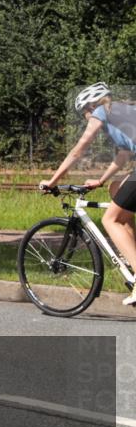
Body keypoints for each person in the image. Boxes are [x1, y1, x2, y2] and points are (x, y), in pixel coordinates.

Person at [40, 82, 136, 305]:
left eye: (83, 113)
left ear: (91, 106)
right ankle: (131, 254)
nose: (85, 118)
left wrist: (52, 182)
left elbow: (78, 150)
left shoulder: (102, 111)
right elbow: (123, 154)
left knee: (110, 220)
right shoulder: (123, 112)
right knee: (115, 188)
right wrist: (101, 181)